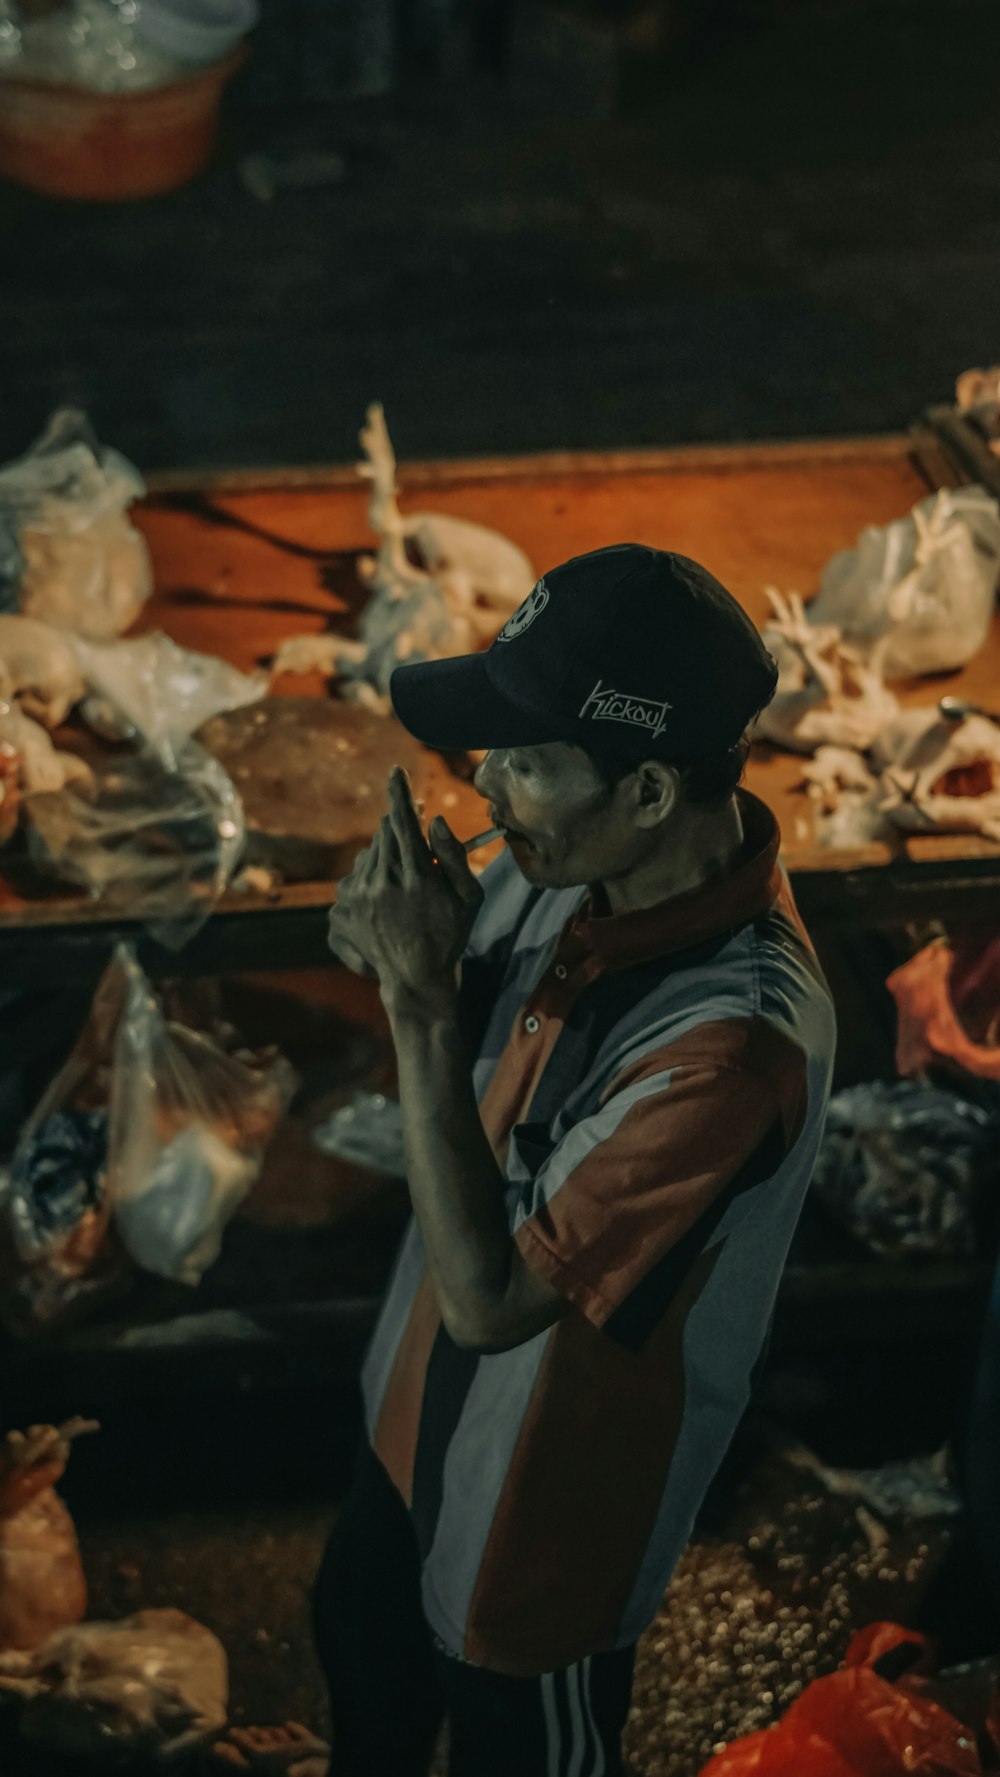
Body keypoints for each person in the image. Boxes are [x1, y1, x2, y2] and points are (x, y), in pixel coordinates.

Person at [316, 543, 837, 1777]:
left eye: (528, 758)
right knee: (361, 1656)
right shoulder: (566, 863)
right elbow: (456, 992)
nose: (483, 779)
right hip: (411, 1430)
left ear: (650, 792)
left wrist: (415, 1005)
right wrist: (398, 945)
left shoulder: (731, 1042)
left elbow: (495, 1302)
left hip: (539, 1526)